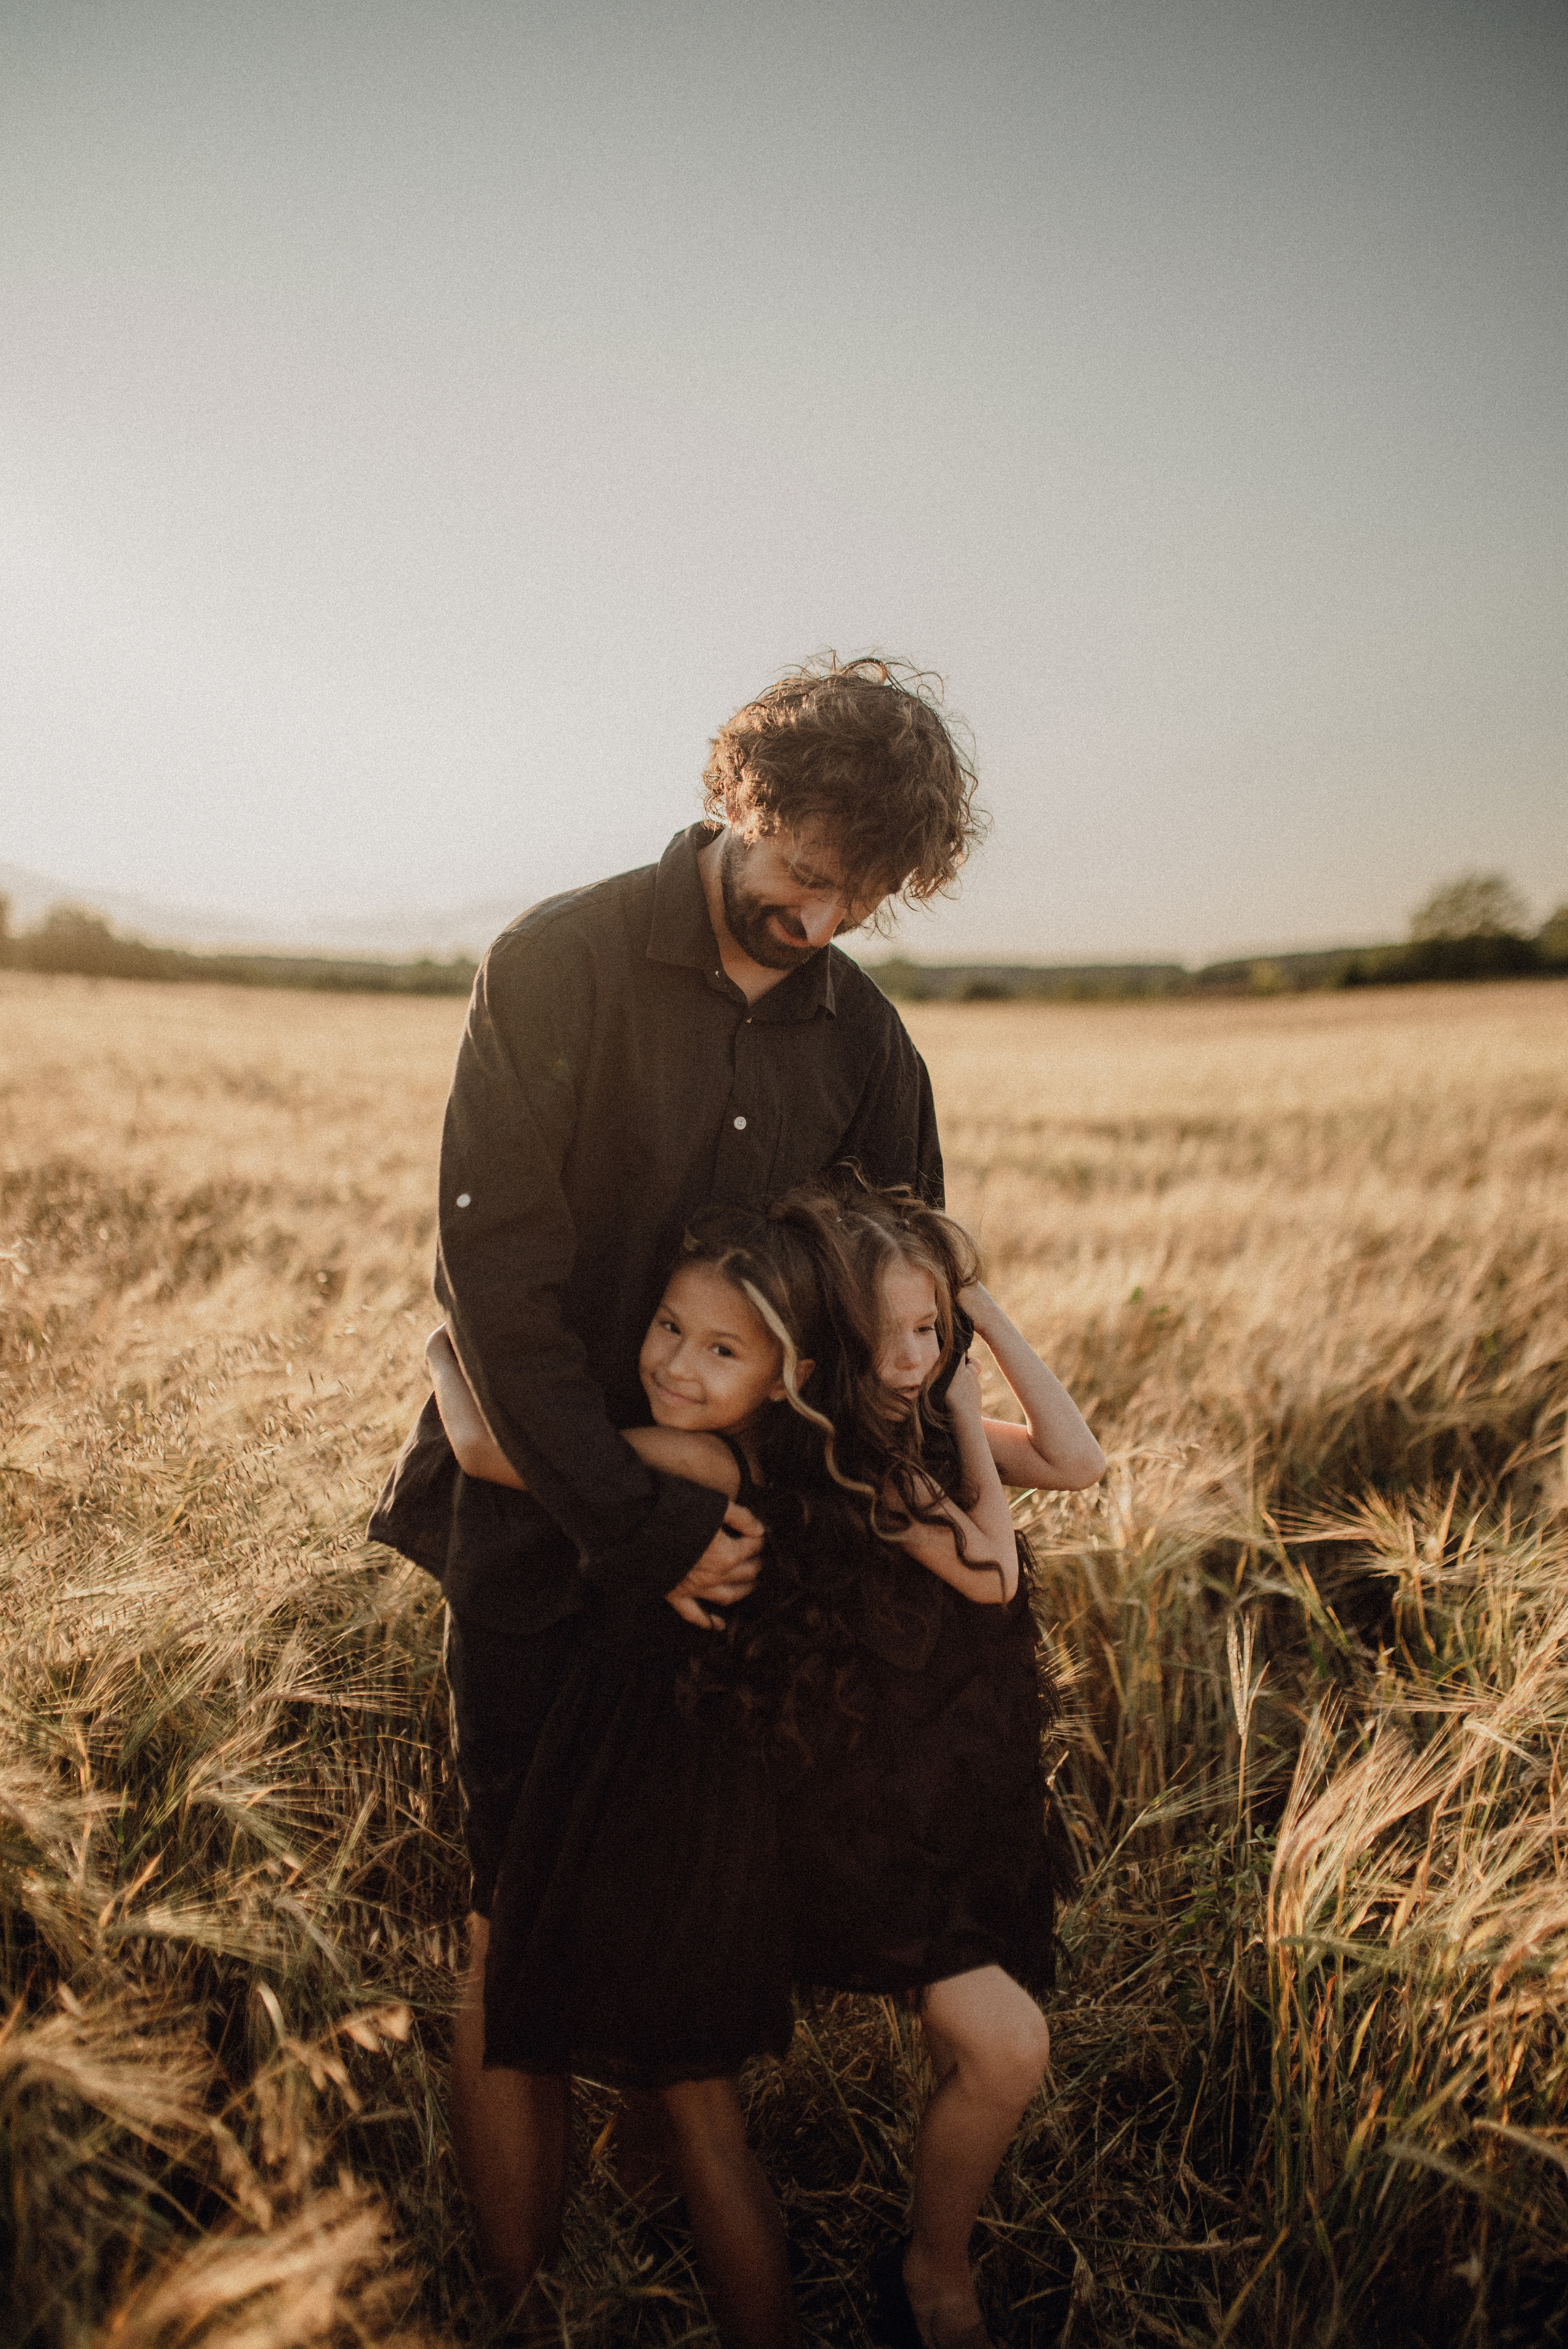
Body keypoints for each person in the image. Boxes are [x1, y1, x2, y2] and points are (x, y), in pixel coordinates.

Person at [366, 655, 984, 2318]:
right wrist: (646, 1530)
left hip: (748, 1558)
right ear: (736, 796)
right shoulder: (555, 963)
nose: (820, 915)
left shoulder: (869, 1044)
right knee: (513, 1915)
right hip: (538, 1530)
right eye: (802, 867)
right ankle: (519, 2301)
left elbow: (894, 1323)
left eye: (860, 896)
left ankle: (654, 2222)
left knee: (694, 1924)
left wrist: (868, 1538)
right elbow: (497, 1288)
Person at [432, 1179, 1104, 2349]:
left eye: (931, 1329)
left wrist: (972, 1326)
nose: (914, 1357)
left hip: (839, 1797)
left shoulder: (850, 1454)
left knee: (715, 2105)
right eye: (891, 1335)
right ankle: (873, 2285)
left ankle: (892, 2272)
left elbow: (1076, 1456)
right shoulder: (842, 1470)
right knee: (725, 2111)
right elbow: (1010, 1547)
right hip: (794, 1811)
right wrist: (961, 1373)